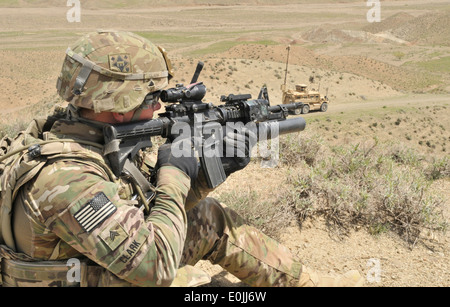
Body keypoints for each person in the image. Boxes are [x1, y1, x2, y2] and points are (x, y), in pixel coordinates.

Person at [0, 31, 363, 287]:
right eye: (149, 97)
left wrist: (203, 175)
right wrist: (175, 172)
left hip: (85, 260)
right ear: (119, 104)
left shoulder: (71, 133)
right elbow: (154, 267)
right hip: (84, 275)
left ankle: (309, 284)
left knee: (208, 216)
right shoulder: (66, 180)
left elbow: (134, 208)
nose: (159, 105)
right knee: (186, 280)